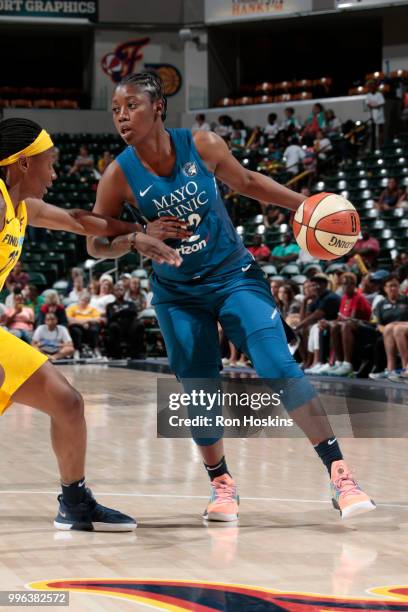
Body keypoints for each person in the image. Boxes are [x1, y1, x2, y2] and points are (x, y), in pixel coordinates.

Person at [88, 71, 375, 523]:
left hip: (233, 276)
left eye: (132, 106)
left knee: (277, 364)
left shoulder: (202, 145)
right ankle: (221, 485)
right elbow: (95, 242)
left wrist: (308, 206)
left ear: (158, 106)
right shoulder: (117, 175)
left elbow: (248, 182)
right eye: (116, 110)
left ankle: (340, 474)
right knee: (198, 390)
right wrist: (138, 236)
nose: (122, 116)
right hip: (177, 293)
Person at [0, 116, 180, 531]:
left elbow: (80, 221)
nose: (54, 172)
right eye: (50, 162)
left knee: (67, 403)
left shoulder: (21, 207)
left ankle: (75, 502)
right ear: (23, 163)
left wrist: (137, 234)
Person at [319, 272, 372, 377]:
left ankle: (347, 364)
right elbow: (340, 317)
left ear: (354, 285)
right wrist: (329, 322)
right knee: (333, 326)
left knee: (345, 325)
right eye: (344, 283)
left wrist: (334, 321)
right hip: (351, 324)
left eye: (350, 283)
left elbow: (351, 319)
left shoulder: (358, 297)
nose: (346, 286)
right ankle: (338, 362)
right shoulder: (343, 298)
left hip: (365, 326)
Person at [369, 275, 408, 381]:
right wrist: (387, 331)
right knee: (389, 329)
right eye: (390, 286)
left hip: (404, 328)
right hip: (388, 333)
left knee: (396, 328)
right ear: (385, 288)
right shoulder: (381, 304)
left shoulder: (406, 300)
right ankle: (391, 370)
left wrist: (395, 325)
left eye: (395, 286)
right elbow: (379, 325)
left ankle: (405, 368)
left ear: (399, 287)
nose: (393, 288)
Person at [106, 282, 145, 359]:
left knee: (139, 325)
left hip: (130, 326)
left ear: (124, 292)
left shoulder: (130, 304)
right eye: (117, 290)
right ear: (114, 292)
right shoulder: (110, 305)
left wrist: (120, 312)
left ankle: (136, 353)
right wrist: (125, 312)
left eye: (121, 290)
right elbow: (112, 316)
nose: (119, 292)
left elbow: (134, 312)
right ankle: (115, 354)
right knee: (113, 326)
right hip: (118, 326)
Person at [66, 291, 103, 358]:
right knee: (75, 330)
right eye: (82, 300)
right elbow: (68, 319)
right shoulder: (72, 308)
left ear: (88, 302)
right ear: (79, 300)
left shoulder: (92, 309)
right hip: (77, 326)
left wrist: (87, 321)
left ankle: (95, 349)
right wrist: (81, 323)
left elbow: (98, 319)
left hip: (89, 326)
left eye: (86, 301)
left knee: (94, 329)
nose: (83, 302)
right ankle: (76, 350)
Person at [366, 81, 385, 148]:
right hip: (372, 116)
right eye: (370, 87)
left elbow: (381, 103)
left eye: (373, 87)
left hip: (379, 116)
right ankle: (373, 146)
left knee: (380, 131)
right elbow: (368, 104)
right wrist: (374, 106)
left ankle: (381, 145)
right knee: (372, 132)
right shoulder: (368, 95)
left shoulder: (379, 94)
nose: (371, 88)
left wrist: (374, 106)